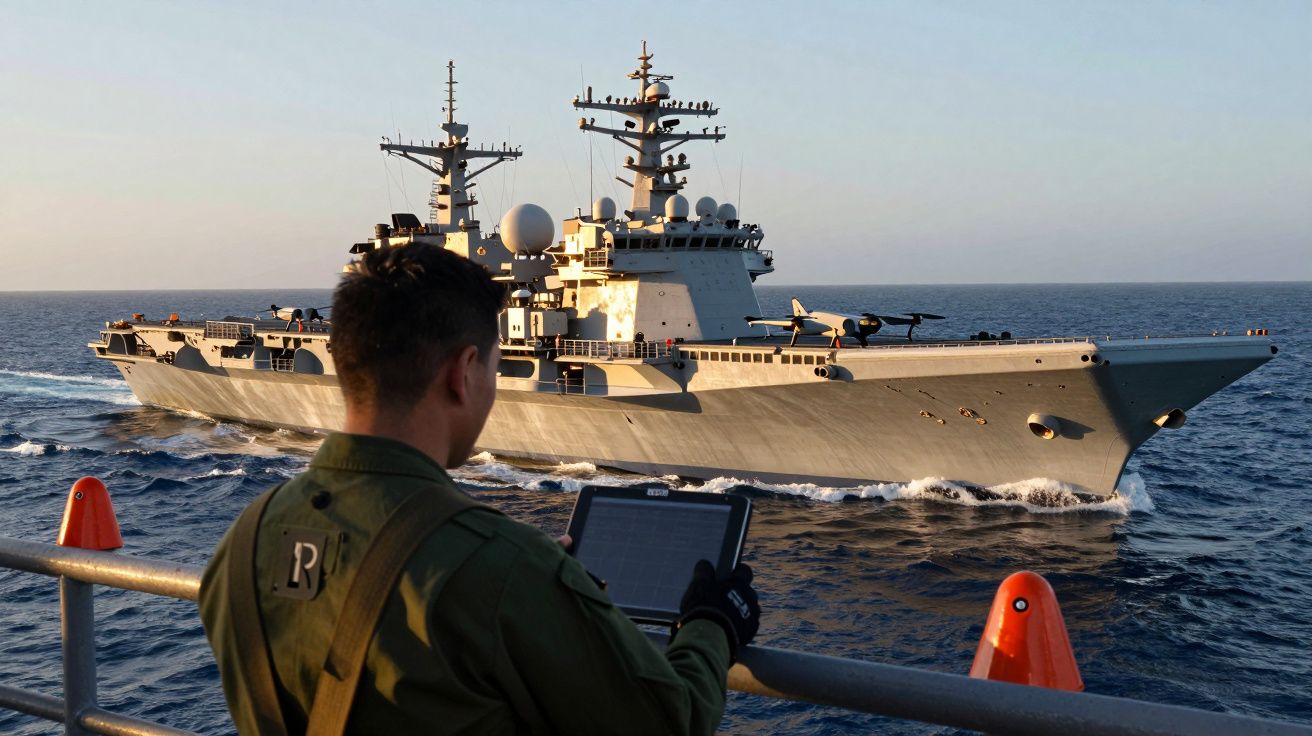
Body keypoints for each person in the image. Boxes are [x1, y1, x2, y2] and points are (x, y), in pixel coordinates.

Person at [199, 244, 761, 735]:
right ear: (463, 372)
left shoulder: (242, 545)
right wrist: (710, 623)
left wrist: (542, 589)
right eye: (494, 366)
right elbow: (672, 721)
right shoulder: (503, 569)